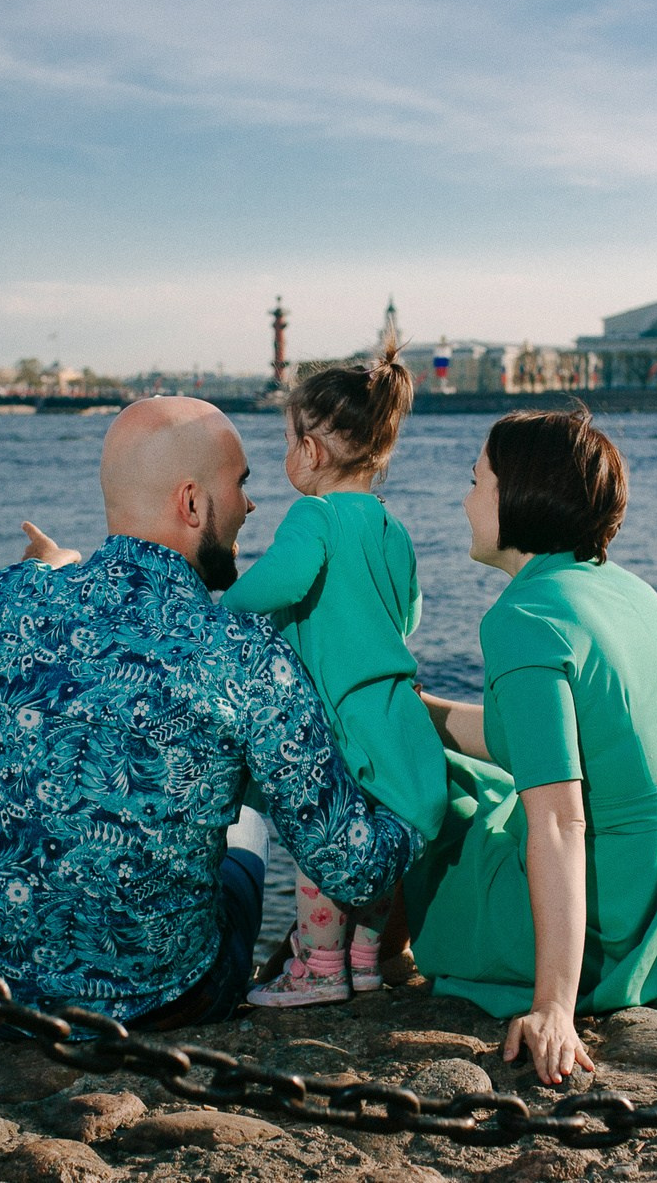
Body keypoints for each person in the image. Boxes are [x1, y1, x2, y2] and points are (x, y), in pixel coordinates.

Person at [0, 396, 420, 1029]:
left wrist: (52, 568)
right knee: (250, 798)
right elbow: (353, 869)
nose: (252, 506)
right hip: (163, 997)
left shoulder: (11, 604)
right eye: (241, 485)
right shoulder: (247, 655)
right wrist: (419, 805)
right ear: (192, 503)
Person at [404, 408, 657, 1084]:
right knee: (455, 767)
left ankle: (342, 957)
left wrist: (553, 1007)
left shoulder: (523, 618)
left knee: (420, 802)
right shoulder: (626, 591)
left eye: (478, 481)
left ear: (518, 497)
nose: (465, 500)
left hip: (613, 919)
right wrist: (417, 712)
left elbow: (559, 818)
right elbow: (546, 745)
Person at [219, 346, 447, 1007]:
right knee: (377, 839)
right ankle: (367, 962)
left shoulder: (313, 516)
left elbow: (283, 580)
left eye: (287, 439)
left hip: (336, 713)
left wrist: (219, 607)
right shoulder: (390, 524)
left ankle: (319, 966)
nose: (284, 454)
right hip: (392, 708)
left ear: (313, 451)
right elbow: (409, 611)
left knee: (327, 840)